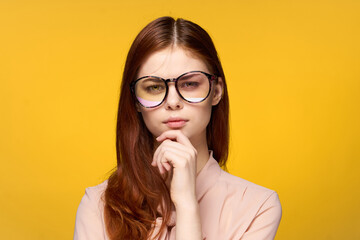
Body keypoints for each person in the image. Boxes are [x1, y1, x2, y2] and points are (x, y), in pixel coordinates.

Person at [74, 16, 282, 240]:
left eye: (190, 84)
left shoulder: (258, 206)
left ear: (216, 91)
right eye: (154, 87)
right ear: (135, 100)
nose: (173, 101)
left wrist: (187, 205)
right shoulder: (99, 205)